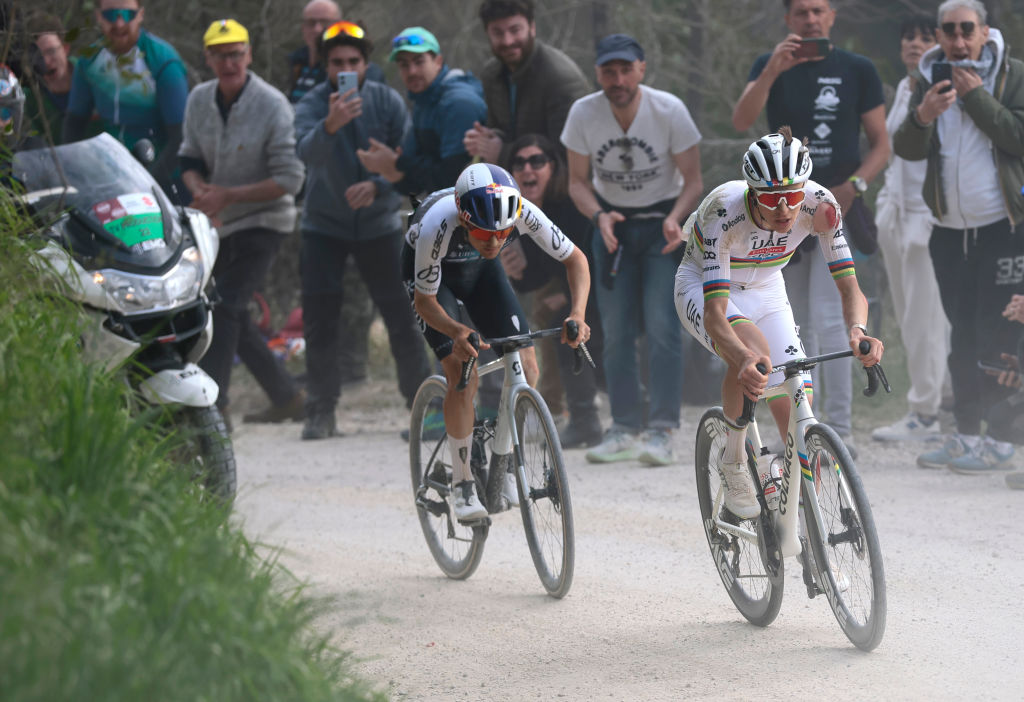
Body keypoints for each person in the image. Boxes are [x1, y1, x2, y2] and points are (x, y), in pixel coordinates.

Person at [674, 129, 884, 517]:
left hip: (767, 285)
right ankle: (734, 460)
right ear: (753, 194)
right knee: (753, 353)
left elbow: (850, 288)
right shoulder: (724, 211)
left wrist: (858, 331)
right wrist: (741, 357)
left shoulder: (822, 206)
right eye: (772, 198)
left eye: (792, 195)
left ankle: (796, 511)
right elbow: (716, 315)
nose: (785, 209)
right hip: (705, 286)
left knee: (797, 401)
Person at [731, 0, 889, 454]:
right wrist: (771, 72)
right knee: (791, 318)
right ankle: (798, 427)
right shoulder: (771, 64)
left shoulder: (857, 68)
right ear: (787, 19)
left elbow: (881, 143)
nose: (810, 19)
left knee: (832, 314)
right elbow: (741, 121)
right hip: (780, 205)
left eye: (818, 10)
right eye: (801, 12)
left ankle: (838, 427)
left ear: (832, 15)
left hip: (832, 202)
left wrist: (855, 186)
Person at [402, 162, 591, 520]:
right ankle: (462, 484)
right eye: (483, 232)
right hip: (434, 282)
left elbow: (575, 259)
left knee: (528, 366)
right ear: (464, 220)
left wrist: (578, 314)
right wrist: (456, 331)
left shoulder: (521, 211)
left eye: (503, 233)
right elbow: (425, 302)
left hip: (480, 273)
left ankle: (503, 467)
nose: (494, 242)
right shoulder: (437, 223)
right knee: (461, 370)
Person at [894, 0, 1024, 473]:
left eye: (967, 29)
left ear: (985, 32)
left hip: (1002, 228)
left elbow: (1018, 137)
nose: (958, 39)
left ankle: (1003, 439)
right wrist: (923, 115)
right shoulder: (927, 78)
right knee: (961, 334)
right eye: (948, 30)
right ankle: (966, 434)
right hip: (948, 231)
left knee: (1001, 332)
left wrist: (976, 98)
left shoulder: (1014, 75)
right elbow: (905, 148)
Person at [562, 33, 703, 466]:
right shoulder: (583, 113)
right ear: (598, 73)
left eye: (626, 70)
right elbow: (576, 182)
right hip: (613, 227)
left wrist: (677, 218)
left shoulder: (669, 110)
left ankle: (661, 429)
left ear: (641, 69)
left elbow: (694, 180)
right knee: (615, 331)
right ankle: (623, 426)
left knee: (663, 327)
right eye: (609, 71)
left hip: (663, 227)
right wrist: (598, 216)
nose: (618, 79)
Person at [294, 20, 430, 440]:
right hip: (323, 224)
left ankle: (422, 405)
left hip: (378, 223)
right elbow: (304, 154)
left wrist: (378, 186)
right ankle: (321, 410)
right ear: (325, 66)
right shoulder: (312, 103)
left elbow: (408, 160)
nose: (345, 69)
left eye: (353, 61)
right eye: (337, 62)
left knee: (403, 316)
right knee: (320, 319)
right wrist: (330, 125)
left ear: (366, 64)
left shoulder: (387, 101)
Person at [179, 19, 306, 429]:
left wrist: (228, 196)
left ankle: (214, 408)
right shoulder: (199, 99)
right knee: (228, 310)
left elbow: (290, 180)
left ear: (249, 55)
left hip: (265, 219)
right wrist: (201, 192)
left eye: (236, 54)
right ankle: (287, 397)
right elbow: (188, 158)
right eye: (220, 55)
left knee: (226, 304)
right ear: (208, 58)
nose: (229, 63)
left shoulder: (272, 104)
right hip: (217, 221)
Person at [870, 16, 951, 443]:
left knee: (926, 319)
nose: (915, 44)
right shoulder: (904, 87)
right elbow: (894, 152)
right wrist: (886, 206)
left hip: (927, 216)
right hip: (896, 211)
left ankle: (926, 413)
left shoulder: (942, 89)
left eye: (925, 37)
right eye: (909, 37)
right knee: (907, 313)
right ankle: (940, 400)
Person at [502, 133, 603, 447]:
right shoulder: (519, 213)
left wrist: (571, 301)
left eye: (537, 161)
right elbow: (537, 276)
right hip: (574, 290)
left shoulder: (569, 207)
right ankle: (572, 415)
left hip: (604, 283)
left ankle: (587, 418)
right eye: (519, 163)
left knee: (568, 323)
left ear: (553, 167)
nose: (527, 169)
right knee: (554, 319)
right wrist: (517, 272)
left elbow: (589, 261)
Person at [63, 0, 189, 198]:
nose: (119, 23)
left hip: (163, 178)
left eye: (128, 15)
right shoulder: (89, 60)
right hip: (111, 175)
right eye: (111, 15)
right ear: (98, 17)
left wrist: (146, 182)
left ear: (141, 15)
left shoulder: (162, 60)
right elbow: (74, 124)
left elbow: (181, 137)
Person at [356, 27, 486, 197]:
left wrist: (398, 162)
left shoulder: (458, 104)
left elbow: (455, 181)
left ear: (438, 62)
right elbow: (412, 183)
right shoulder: (423, 100)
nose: (412, 71)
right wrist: (390, 166)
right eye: (404, 65)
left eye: (419, 62)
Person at [462, 0, 590, 165]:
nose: (507, 41)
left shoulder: (560, 78)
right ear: (487, 34)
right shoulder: (491, 74)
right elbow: (502, 130)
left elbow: (569, 158)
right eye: (498, 33)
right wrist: (486, 140)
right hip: (511, 174)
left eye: (515, 30)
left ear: (532, 28)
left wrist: (502, 152)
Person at [286, 0, 385, 104]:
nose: (317, 29)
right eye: (311, 23)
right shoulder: (295, 63)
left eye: (325, 23)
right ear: (303, 27)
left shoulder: (363, 73)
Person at [21, 13, 78, 144]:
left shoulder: (94, 78)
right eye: (37, 56)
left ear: (65, 48)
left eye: (51, 51)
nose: (46, 62)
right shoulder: (30, 100)